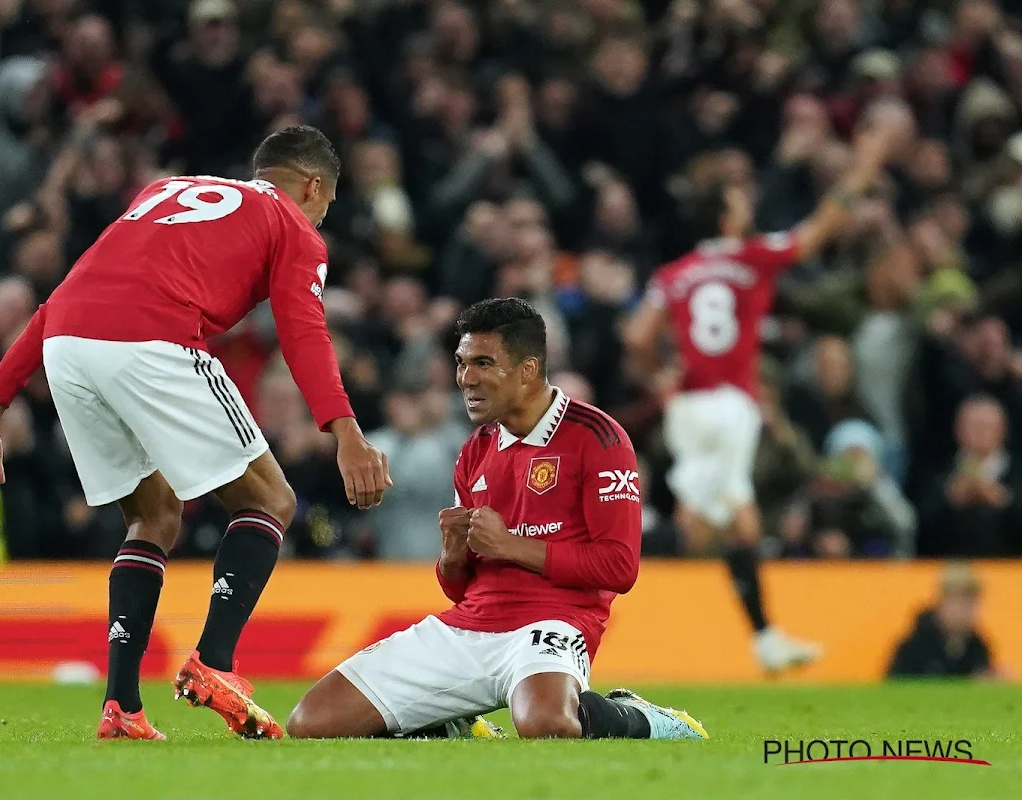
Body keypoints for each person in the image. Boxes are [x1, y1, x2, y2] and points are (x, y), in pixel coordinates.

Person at [0, 125, 391, 741]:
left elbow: (62, 295)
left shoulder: (167, 189)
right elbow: (303, 331)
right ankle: (214, 663)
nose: (324, 214)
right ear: (315, 185)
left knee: (154, 515)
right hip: (151, 340)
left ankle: (122, 707)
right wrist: (345, 432)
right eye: (327, 201)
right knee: (270, 499)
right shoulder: (294, 227)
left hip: (68, 348)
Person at [286, 298, 707, 741]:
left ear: (527, 370)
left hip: (553, 625)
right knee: (312, 723)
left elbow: (620, 568)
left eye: (484, 363)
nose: (467, 378)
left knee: (546, 724)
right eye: (462, 363)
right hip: (470, 626)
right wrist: (452, 557)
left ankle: (644, 718)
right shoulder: (475, 450)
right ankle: (450, 722)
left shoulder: (598, 437)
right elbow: (459, 589)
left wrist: (508, 545)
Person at [623, 108, 906, 672]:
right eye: (739, 202)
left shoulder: (673, 274)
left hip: (687, 407)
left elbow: (636, 336)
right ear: (727, 218)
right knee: (713, 527)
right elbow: (820, 229)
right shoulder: (751, 259)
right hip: (729, 404)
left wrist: (660, 377)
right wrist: (866, 164)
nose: (747, 207)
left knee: (726, 521)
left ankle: (763, 638)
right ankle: (592, 592)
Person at [887, 563, 998, 679]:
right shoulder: (913, 648)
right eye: (956, 602)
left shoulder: (978, 648)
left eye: (969, 603)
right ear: (941, 603)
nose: (962, 611)